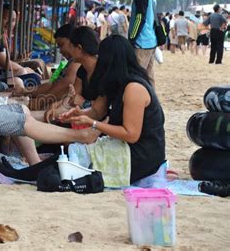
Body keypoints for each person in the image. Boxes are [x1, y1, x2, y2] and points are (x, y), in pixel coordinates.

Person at [59, 34, 166, 184]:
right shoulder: (117, 83)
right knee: (63, 161)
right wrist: (80, 114)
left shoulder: (134, 88)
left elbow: (131, 134)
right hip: (126, 149)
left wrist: (93, 124)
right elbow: (97, 111)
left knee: (65, 166)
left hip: (139, 157)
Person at [21, 23, 81, 111]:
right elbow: (51, 83)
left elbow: (65, 83)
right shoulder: (63, 64)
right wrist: (25, 91)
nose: (60, 51)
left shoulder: (76, 63)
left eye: (61, 45)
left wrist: (41, 100)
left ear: (72, 42)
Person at [128, 0, 158, 87]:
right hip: (151, 41)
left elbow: (140, 18)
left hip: (142, 42)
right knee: (148, 77)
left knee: (136, 77)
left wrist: (132, 38)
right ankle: (153, 103)